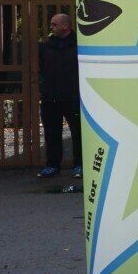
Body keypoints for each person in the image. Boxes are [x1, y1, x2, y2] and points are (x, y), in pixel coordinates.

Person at [37, 11, 80, 177]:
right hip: (51, 96)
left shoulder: (78, 45)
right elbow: (42, 68)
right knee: (51, 133)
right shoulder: (47, 47)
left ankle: (79, 164)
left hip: (73, 96)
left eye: (54, 24)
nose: (51, 27)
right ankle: (53, 165)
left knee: (78, 132)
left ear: (65, 25)